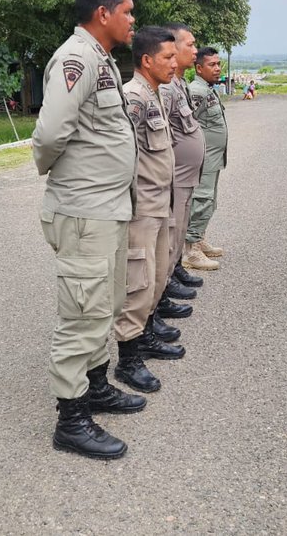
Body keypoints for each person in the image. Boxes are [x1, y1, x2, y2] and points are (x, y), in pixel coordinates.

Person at [31, 0, 141, 460]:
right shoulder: (76, 56)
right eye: (127, 12)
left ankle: (96, 385)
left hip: (107, 209)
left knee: (103, 302)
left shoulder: (101, 59)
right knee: (81, 312)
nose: (133, 21)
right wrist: (56, 173)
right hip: (84, 210)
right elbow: (51, 133)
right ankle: (71, 419)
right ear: (103, 13)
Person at [114, 26, 186, 394]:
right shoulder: (134, 98)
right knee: (137, 285)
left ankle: (144, 337)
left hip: (160, 205)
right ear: (146, 60)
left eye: (176, 56)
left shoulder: (155, 94)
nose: (175, 64)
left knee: (156, 279)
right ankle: (127, 360)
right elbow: (119, 158)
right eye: (167, 58)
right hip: (140, 209)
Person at [155, 23, 206, 325]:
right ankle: (163, 288)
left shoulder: (180, 84)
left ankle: (174, 272)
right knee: (170, 235)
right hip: (174, 177)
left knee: (179, 229)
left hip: (186, 178)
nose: (195, 50)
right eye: (190, 44)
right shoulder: (165, 88)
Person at [184, 47, 228, 271]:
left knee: (210, 199)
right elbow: (187, 125)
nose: (218, 68)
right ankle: (191, 250)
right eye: (212, 64)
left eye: (218, 63)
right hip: (203, 158)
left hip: (213, 157)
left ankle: (199, 238)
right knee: (201, 199)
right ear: (199, 68)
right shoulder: (197, 91)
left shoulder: (209, 89)